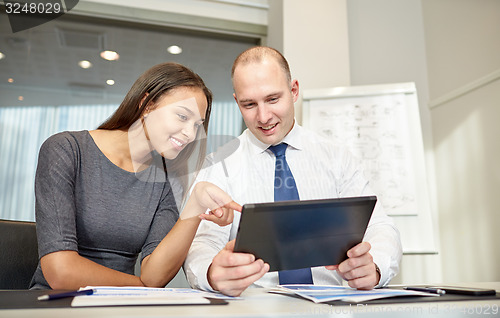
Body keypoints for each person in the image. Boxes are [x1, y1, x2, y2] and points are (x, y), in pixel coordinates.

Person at [184, 46, 402, 296]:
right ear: (237, 102)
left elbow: (380, 226)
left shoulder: (336, 158)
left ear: (294, 90)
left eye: (273, 99)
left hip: (330, 306)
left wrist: (374, 265)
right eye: (249, 104)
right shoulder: (218, 166)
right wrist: (211, 273)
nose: (263, 117)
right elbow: (202, 242)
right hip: (252, 309)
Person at [30, 62, 240, 290]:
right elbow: (60, 272)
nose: (191, 134)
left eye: (197, 125)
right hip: (57, 303)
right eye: (182, 116)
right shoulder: (66, 150)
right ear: (147, 105)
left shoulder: (164, 180)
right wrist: (140, 286)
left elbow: (155, 275)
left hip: (122, 306)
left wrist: (196, 204)